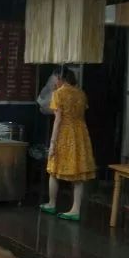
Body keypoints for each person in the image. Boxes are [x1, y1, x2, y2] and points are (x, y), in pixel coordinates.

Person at [40, 66, 96, 221]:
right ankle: (76, 209)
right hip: (80, 134)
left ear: (60, 78)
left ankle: (52, 203)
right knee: (78, 173)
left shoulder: (58, 94)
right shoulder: (81, 93)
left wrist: (52, 143)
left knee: (53, 169)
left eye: (55, 78)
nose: (54, 82)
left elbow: (58, 120)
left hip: (64, 134)